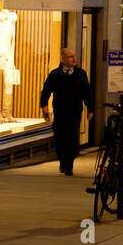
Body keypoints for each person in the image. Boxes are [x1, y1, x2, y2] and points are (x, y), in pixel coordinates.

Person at [39, 47, 93, 175]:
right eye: (70, 57)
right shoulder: (55, 74)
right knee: (60, 139)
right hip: (60, 111)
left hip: (75, 112)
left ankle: (69, 164)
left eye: (74, 56)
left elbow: (87, 93)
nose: (74, 59)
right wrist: (44, 105)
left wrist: (90, 109)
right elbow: (46, 90)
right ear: (63, 60)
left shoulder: (81, 74)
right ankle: (63, 161)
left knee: (73, 139)